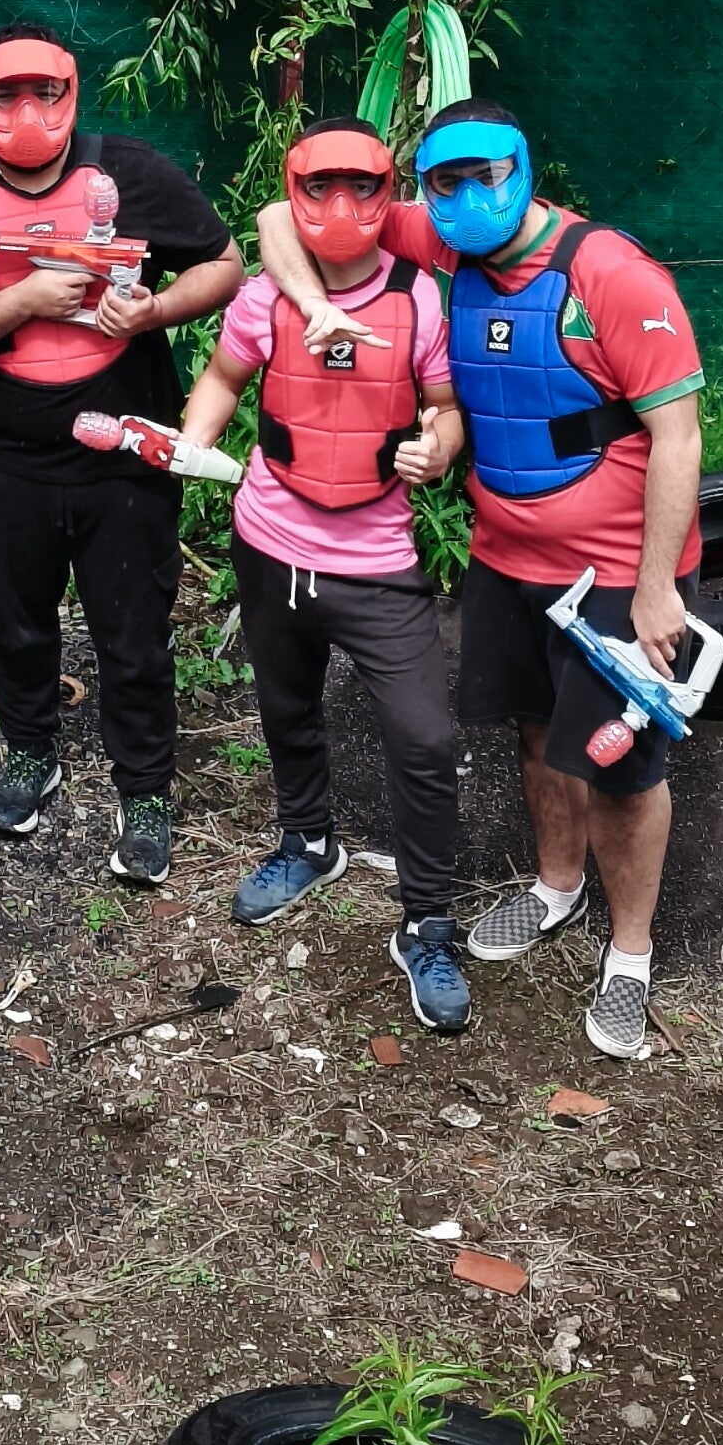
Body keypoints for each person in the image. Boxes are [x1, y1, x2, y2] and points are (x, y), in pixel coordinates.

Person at [257, 97, 705, 1060]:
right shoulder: (446, 243)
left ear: (524, 167)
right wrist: (316, 307)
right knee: (536, 731)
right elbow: (275, 219)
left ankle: (630, 956)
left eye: (485, 176)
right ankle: (554, 887)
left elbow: (679, 436)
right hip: (506, 558)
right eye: (444, 182)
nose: (465, 197)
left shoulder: (610, 273)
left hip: (617, 570)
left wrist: (658, 587)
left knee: (624, 769)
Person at [0, 24, 243, 886]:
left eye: (43, 91)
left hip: (125, 453)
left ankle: (145, 791)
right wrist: (22, 300)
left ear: (70, 90)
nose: (27, 109)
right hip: (7, 455)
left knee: (135, 632)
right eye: (6, 92)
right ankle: (30, 753)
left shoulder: (131, 171)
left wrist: (155, 311)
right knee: (16, 620)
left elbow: (224, 264)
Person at [178, 119, 472, 1032]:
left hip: (376, 559)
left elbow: (445, 407)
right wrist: (190, 445)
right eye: (319, 187)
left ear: (388, 191)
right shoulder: (265, 298)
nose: (340, 206)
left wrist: (437, 448)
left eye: (361, 186)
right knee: (286, 707)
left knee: (425, 740)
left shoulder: (420, 297)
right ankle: (308, 841)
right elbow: (224, 379)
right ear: (293, 190)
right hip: (271, 540)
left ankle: (426, 921)